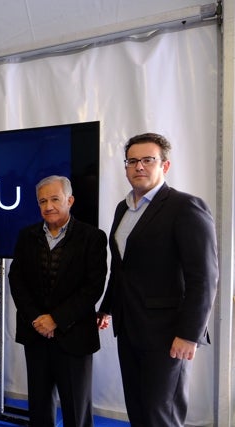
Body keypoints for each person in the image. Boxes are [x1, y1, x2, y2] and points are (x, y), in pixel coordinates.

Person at [97, 132, 218, 426]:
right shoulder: (123, 208)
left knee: (161, 414)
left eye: (148, 160)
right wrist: (107, 307)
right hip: (130, 327)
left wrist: (190, 334)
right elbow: (121, 267)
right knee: (138, 408)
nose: (139, 167)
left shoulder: (185, 207)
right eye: (132, 161)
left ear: (164, 165)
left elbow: (204, 277)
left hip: (168, 333)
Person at [8, 175, 107, 427]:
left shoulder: (92, 237)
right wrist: (36, 320)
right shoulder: (26, 235)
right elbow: (16, 281)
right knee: (39, 410)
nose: (48, 206)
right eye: (43, 201)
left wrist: (56, 320)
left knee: (76, 411)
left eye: (55, 199)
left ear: (70, 200)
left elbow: (92, 287)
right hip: (36, 335)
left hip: (74, 336)